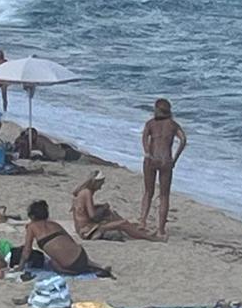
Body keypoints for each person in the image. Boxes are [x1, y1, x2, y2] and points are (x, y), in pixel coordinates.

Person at [138, 97, 187, 239]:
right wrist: (175, 158)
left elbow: (144, 139)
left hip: (151, 159)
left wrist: (147, 152)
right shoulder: (173, 125)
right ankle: (160, 229)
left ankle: (142, 221)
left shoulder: (151, 124)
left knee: (148, 191)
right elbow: (183, 140)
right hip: (166, 160)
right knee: (164, 196)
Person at [21, 200, 111, 276]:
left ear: (32, 216)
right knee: (72, 254)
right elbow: (71, 241)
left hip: (69, 264)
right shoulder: (55, 224)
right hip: (81, 254)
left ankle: (84, 271)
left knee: (53, 263)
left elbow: (27, 250)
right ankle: (95, 265)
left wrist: (20, 266)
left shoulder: (32, 227)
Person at [72, 170, 159, 242]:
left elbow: (84, 210)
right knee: (122, 223)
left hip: (82, 227)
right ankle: (150, 238)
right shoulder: (87, 193)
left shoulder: (82, 192)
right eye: (100, 184)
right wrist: (103, 209)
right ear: (96, 182)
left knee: (112, 215)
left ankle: (142, 231)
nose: (100, 187)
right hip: (87, 229)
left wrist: (100, 207)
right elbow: (92, 216)